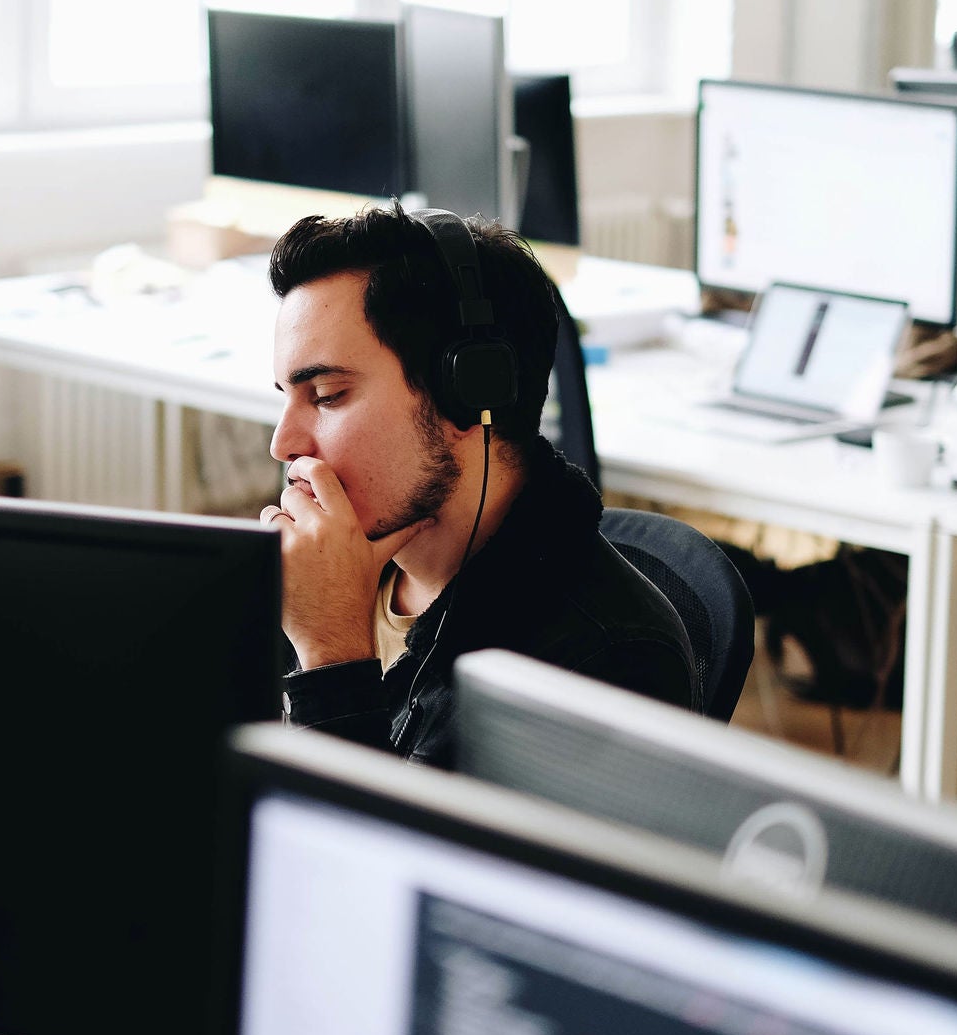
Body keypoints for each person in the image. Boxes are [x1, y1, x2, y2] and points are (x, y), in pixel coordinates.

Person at [260, 202, 696, 765]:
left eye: (326, 396)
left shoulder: (602, 669)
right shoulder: (329, 562)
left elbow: (367, 849)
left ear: (467, 394)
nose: (282, 443)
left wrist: (331, 659)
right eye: (285, 397)